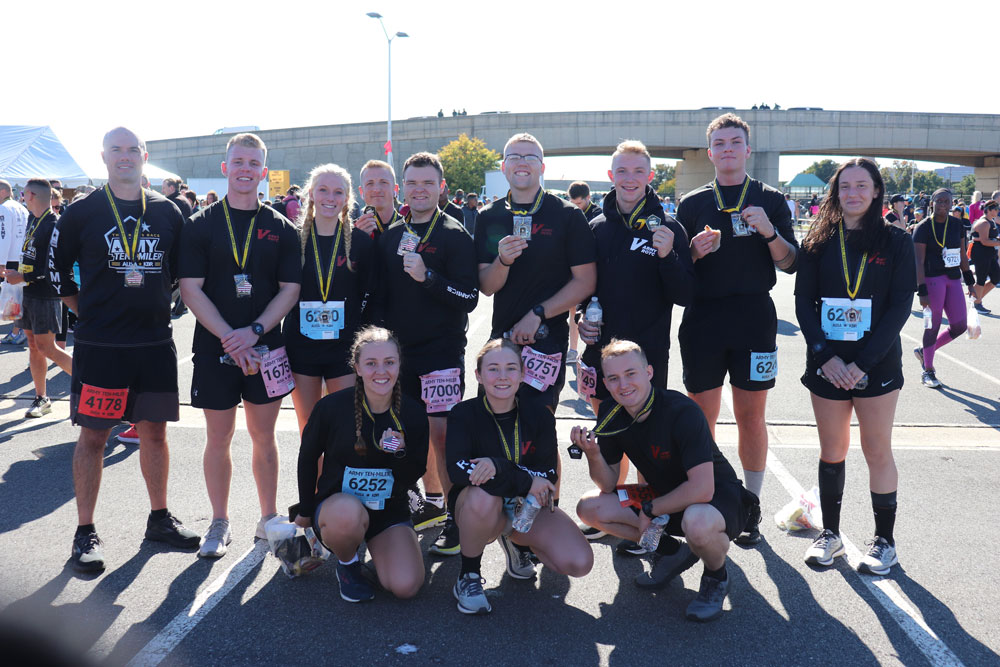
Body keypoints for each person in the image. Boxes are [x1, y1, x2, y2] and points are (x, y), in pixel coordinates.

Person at [50, 126, 198, 572]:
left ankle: (158, 519)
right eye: (116, 150)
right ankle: (84, 531)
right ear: (104, 157)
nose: (125, 156)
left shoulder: (168, 212)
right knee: (95, 436)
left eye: (132, 149)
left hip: (153, 344)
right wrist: (90, 313)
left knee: (154, 432)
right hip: (101, 346)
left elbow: (180, 273)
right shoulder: (83, 212)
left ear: (144, 156)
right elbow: (59, 275)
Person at [675, 113, 798, 545]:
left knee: (751, 416)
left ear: (748, 150)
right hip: (704, 320)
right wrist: (691, 251)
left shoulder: (772, 200)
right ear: (710, 153)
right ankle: (708, 497)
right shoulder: (691, 204)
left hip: (754, 319)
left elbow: (789, 262)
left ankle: (752, 504)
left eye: (735, 142)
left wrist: (768, 232)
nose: (727, 149)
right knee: (702, 418)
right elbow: (675, 273)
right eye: (720, 144)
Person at [179, 132, 301, 558]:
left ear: (264, 171)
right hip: (216, 347)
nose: (246, 169)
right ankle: (218, 521)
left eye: (254, 163)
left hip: (264, 347)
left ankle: (268, 518)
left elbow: (290, 290)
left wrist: (253, 332)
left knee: (263, 436)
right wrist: (231, 339)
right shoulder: (199, 224)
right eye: (239, 161)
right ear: (225, 167)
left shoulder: (281, 227)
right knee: (219, 436)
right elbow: (190, 289)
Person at [574, 339, 756, 623]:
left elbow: (702, 488)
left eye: (631, 373)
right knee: (589, 508)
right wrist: (594, 454)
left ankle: (715, 577)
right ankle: (671, 552)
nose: (623, 385)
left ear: (648, 372)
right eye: (613, 378)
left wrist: (651, 510)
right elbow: (607, 485)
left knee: (697, 523)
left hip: (715, 499)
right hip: (662, 496)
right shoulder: (610, 411)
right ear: (606, 384)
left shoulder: (681, 411)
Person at [794, 158, 916, 575]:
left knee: (876, 449)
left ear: (877, 190)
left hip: (875, 364)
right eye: (845, 186)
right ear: (836, 192)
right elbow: (802, 303)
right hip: (827, 364)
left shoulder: (896, 241)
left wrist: (862, 363)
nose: (853, 193)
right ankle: (831, 535)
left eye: (862, 186)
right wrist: (826, 357)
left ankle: (885, 541)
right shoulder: (818, 240)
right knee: (832, 451)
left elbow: (901, 306)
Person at [576, 141, 694, 548]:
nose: (629, 179)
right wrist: (579, 321)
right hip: (600, 356)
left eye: (637, 171)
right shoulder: (595, 227)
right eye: (621, 171)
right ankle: (617, 511)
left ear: (650, 176)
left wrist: (668, 256)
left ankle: (653, 517)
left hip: (647, 358)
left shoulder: (668, 227)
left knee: (650, 441)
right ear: (611, 177)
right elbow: (583, 287)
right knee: (611, 436)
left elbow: (685, 294)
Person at [475, 132, 597, 513]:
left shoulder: (565, 215)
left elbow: (585, 281)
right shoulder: (490, 216)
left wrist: (539, 313)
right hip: (502, 340)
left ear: (542, 167)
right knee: (498, 424)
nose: (522, 162)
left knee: (539, 427)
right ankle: (506, 512)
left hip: (547, 339)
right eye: (514, 156)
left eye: (530, 156)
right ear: (504, 166)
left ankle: (547, 510)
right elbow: (487, 286)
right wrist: (503, 261)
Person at [369, 152, 479, 555]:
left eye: (427, 183)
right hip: (398, 356)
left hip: (442, 353)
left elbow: (468, 297)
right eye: (412, 183)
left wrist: (429, 277)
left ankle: (455, 516)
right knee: (400, 433)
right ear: (403, 188)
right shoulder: (391, 236)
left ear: (441, 187)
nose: (420, 190)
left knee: (442, 434)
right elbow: (380, 297)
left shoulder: (455, 235)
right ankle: (411, 505)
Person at [446, 338, 593, 614]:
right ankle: (469, 575)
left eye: (511, 368)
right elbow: (458, 469)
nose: (503, 376)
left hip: (525, 506)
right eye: (493, 369)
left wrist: (500, 466)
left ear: (523, 375)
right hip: (479, 508)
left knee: (579, 562)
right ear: (478, 375)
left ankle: (516, 542)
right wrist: (525, 480)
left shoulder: (540, 416)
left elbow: (548, 474)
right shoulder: (463, 414)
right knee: (482, 496)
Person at [294, 326, 429, 603]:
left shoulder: (414, 413)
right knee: (346, 513)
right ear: (356, 367)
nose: (381, 371)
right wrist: (306, 510)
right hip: (338, 510)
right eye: (371, 363)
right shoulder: (331, 408)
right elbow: (308, 458)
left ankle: (375, 558)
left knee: (406, 586)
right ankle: (347, 566)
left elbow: (414, 473)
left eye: (389, 362)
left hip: (388, 510)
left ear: (399, 364)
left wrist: (400, 453)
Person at [285, 164, 375, 433]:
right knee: (309, 427)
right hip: (302, 345)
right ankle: (311, 477)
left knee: (344, 426)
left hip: (344, 347)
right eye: (323, 190)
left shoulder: (360, 241)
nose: (330, 197)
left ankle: (334, 478)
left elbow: (371, 293)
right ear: (311, 194)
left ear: (347, 198)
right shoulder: (291, 239)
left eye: (338, 192)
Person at [1, 179, 73, 417]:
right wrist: (17, 275)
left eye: (23, 193)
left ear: (30, 195)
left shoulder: (53, 224)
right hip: (28, 292)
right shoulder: (33, 219)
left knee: (47, 347)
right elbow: (29, 257)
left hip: (46, 295)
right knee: (33, 347)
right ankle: (41, 398)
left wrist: (21, 276)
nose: (22, 196)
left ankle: (97, 386)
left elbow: (52, 266)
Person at [911, 188, 975, 388]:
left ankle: (924, 351)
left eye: (947, 201)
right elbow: (918, 262)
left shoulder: (957, 224)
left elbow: (963, 254)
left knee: (959, 326)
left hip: (953, 278)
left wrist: (970, 282)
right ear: (932, 202)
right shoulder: (922, 227)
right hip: (932, 280)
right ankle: (928, 370)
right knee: (933, 325)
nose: (943, 205)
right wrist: (921, 290)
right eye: (939, 201)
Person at [0, 179, 29, 345]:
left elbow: (3, 236)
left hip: (11, 257)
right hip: (22, 257)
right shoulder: (21, 207)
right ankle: (17, 330)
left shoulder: (4, 208)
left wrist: (1, 262)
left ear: (3, 191)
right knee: (18, 297)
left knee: (14, 297)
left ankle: (19, 331)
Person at [354, 159, 401, 242]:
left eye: (383, 182)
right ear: (361, 192)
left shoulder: (409, 230)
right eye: (370, 183)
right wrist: (357, 240)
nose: (377, 189)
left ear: (395, 190)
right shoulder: (349, 232)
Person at [969, 199, 999, 313]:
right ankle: (977, 303)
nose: (997, 211)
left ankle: (976, 298)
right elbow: (985, 241)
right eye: (996, 209)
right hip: (981, 253)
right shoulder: (984, 223)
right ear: (989, 210)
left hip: (989, 253)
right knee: (981, 279)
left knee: (996, 277)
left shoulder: (991, 221)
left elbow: (991, 238)